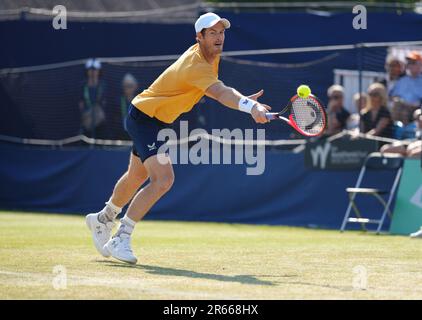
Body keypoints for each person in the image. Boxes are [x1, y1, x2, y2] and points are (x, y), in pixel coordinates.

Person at [85, 13, 272, 264]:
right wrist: (250, 107)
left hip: (151, 118)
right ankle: (121, 237)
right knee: (163, 179)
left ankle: (102, 219)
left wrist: (244, 102)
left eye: (222, 32)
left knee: (137, 176)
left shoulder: (209, 58)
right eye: (212, 33)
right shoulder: (195, 64)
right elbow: (220, 92)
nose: (219, 37)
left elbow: (219, 89)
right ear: (199, 37)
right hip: (146, 119)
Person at [390, 51, 422, 125]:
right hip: (401, 107)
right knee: (397, 105)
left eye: (413, 63)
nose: (410, 65)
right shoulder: (402, 80)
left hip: (416, 109)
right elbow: (394, 96)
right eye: (409, 63)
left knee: (404, 112)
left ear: (420, 65)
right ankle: (394, 130)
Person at [79, 58, 107, 138]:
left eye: (95, 70)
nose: (92, 72)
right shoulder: (82, 86)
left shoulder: (104, 86)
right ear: (87, 71)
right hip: (86, 121)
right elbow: (80, 105)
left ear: (99, 71)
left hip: (101, 122)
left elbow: (105, 106)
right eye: (90, 70)